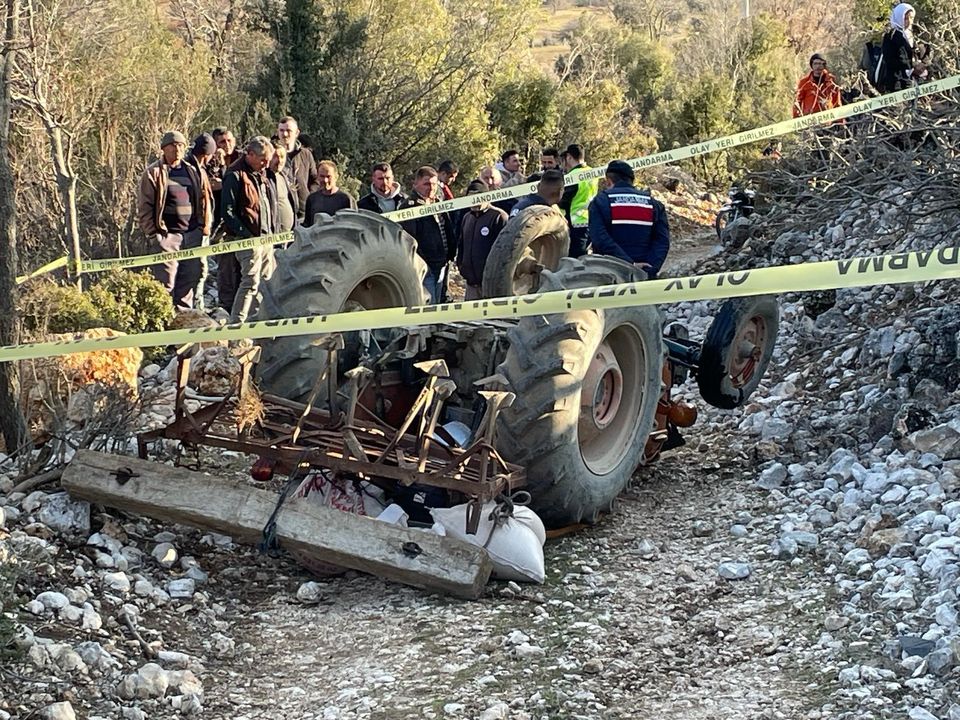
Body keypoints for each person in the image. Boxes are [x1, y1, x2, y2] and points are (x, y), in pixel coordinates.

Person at [137, 130, 210, 310]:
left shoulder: (193, 171)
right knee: (166, 283)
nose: (177, 149)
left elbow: (205, 199)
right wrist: (155, 235)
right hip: (168, 236)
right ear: (164, 148)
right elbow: (144, 207)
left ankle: (184, 320)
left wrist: (203, 227)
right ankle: (164, 321)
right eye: (173, 145)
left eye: (180, 145)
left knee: (191, 277)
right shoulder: (153, 173)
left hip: (192, 234)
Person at [221, 136, 277, 323]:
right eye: (263, 160)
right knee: (250, 282)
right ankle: (237, 325)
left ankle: (257, 321)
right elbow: (227, 211)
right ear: (250, 154)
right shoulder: (235, 175)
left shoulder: (260, 173)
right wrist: (245, 235)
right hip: (248, 240)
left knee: (266, 282)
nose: (266, 164)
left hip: (266, 238)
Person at [588, 160, 670, 280]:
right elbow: (662, 241)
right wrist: (649, 269)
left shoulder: (601, 201)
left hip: (609, 276)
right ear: (632, 180)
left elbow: (600, 238)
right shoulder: (654, 204)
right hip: (646, 276)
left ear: (609, 181)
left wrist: (628, 264)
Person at [398, 166, 455, 303]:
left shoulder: (438, 203)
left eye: (434, 184)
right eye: (426, 184)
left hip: (441, 262)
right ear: (416, 184)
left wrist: (451, 254)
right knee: (429, 304)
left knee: (438, 301)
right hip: (424, 266)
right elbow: (409, 238)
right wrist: (421, 262)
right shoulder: (409, 207)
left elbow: (447, 229)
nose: (431, 188)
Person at [457, 180, 508, 301]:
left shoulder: (498, 217)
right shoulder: (467, 218)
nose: (474, 201)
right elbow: (462, 244)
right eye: (471, 197)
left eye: (478, 196)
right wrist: (461, 266)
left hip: (491, 284)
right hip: (471, 285)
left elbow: (505, 250)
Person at [209, 127, 242, 312]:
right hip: (220, 222)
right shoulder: (211, 161)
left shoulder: (243, 159)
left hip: (240, 220)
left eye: (229, 140)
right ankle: (225, 305)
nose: (226, 145)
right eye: (222, 142)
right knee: (225, 267)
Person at [184, 133, 217, 310]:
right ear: (207, 154)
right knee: (196, 271)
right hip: (194, 230)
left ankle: (197, 306)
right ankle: (195, 309)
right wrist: (203, 225)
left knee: (199, 270)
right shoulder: (191, 170)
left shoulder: (198, 170)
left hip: (198, 229)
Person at [876, 3, 927, 94]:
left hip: (915, 79)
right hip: (897, 82)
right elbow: (890, 59)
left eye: (911, 18)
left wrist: (921, 63)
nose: (909, 21)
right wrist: (910, 67)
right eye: (906, 18)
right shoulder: (891, 36)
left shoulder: (914, 33)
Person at [559, 143, 598, 258]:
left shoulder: (573, 176)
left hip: (573, 222)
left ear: (569, 157)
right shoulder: (593, 172)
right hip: (589, 219)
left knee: (573, 258)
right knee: (583, 256)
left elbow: (564, 200)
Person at [276, 116, 318, 221]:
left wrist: (309, 197)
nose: (284, 134)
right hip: (280, 213)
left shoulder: (306, 154)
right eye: (281, 130)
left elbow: (315, 179)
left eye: (288, 131)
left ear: (297, 133)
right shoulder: (272, 154)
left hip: (303, 212)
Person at [303, 160, 356, 225]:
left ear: (336, 177)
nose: (325, 180)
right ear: (317, 177)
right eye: (322, 176)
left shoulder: (347, 200)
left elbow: (354, 225)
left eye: (328, 176)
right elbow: (307, 225)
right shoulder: (312, 199)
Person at [270, 146, 297, 234]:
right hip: (273, 237)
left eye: (282, 157)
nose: (279, 161)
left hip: (288, 235)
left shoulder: (283, 176)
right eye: (275, 156)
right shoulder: (264, 178)